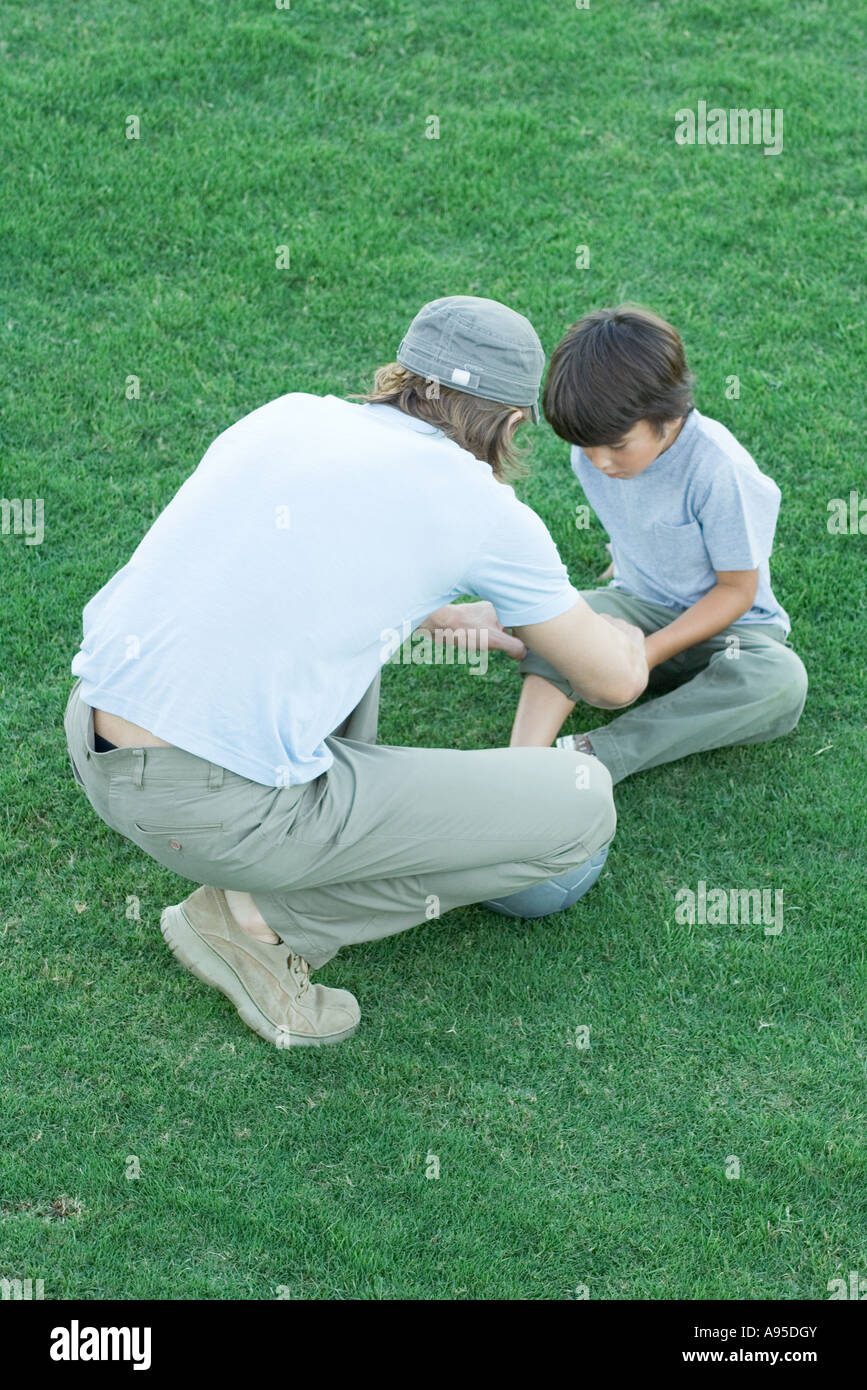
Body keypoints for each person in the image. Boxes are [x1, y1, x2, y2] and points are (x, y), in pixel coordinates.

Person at [64, 296, 648, 1049]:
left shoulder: (288, 415)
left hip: (95, 735)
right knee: (582, 804)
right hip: (212, 809)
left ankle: (257, 880)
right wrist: (625, 638)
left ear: (403, 375)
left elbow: (280, 559)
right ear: (510, 424)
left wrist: (433, 610)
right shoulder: (480, 506)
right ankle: (254, 924)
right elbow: (611, 684)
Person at [510, 304, 808, 780]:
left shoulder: (719, 471)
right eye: (587, 445)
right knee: (558, 620)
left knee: (781, 680)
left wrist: (641, 657)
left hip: (733, 634)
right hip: (638, 607)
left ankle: (591, 756)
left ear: (667, 416)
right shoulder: (590, 455)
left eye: (617, 446)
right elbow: (635, 521)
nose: (600, 461)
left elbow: (737, 590)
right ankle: (518, 764)